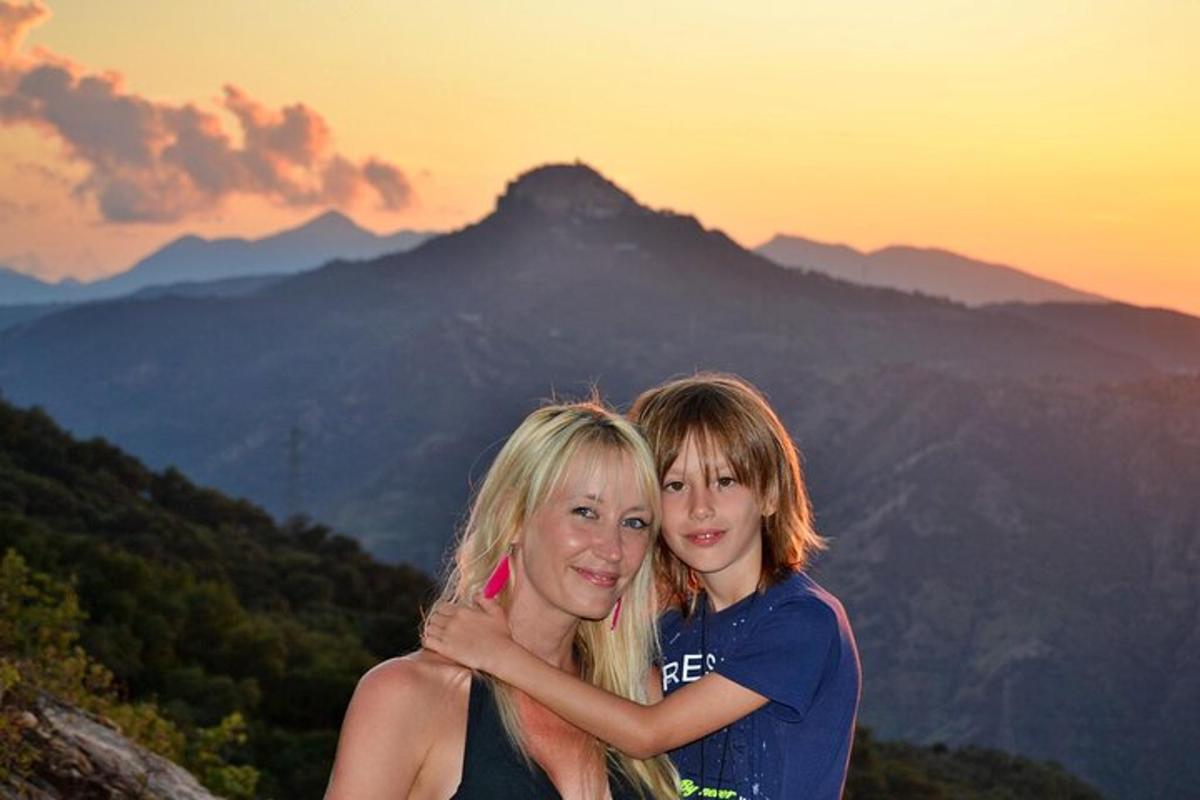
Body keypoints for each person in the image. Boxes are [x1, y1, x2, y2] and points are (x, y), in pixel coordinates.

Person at [424, 374, 861, 799]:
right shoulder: (673, 631)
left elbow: (647, 733)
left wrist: (498, 654)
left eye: (724, 481)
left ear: (769, 494)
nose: (700, 507)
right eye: (674, 485)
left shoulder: (803, 620)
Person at [325, 402, 678, 799]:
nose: (613, 549)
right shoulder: (410, 695)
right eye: (585, 512)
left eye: (634, 522)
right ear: (514, 517)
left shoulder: (641, 694)